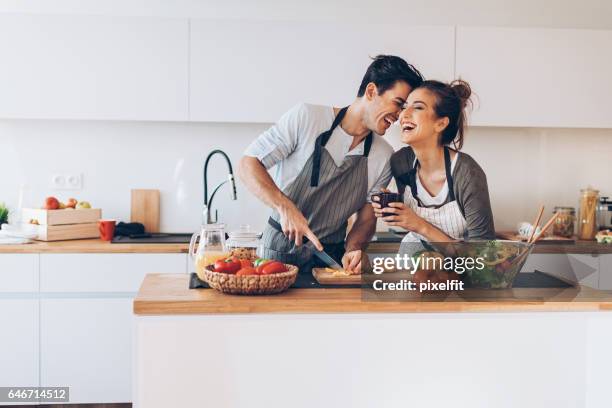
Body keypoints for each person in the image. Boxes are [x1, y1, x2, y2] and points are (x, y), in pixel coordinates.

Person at [238, 55, 424, 274]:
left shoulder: (383, 155)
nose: (401, 115)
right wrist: (285, 207)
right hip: (279, 254)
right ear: (372, 91)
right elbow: (248, 164)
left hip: (331, 259)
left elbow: (365, 219)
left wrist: (353, 249)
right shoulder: (307, 118)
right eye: (399, 104)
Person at [373, 79, 495, 242]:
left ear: (441, 123)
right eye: (404, 107)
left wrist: (419, 225)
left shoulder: (467, 173)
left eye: (417, 107)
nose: (403, 114)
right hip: (415, 254)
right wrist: (392, 206)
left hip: (461, 264)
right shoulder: (401, 161)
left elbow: (482, 252)